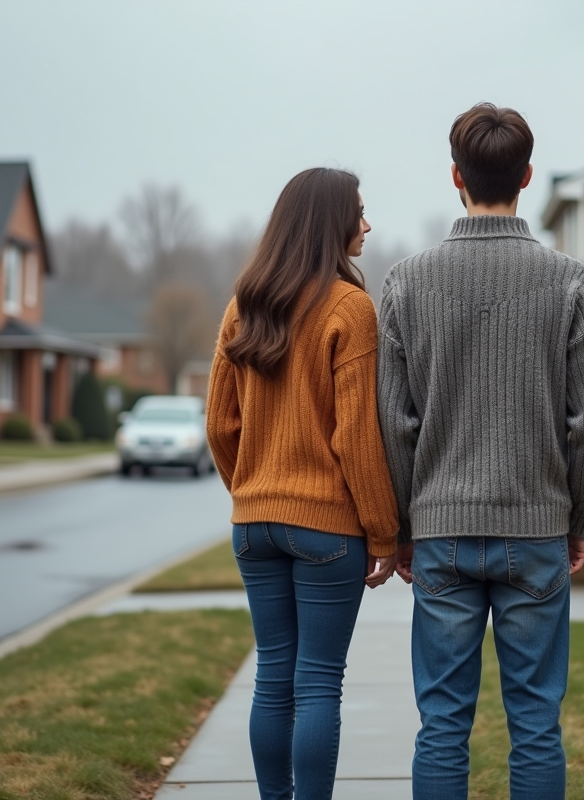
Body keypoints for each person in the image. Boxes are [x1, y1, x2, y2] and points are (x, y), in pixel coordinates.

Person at [377, 103, 584, 800]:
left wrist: (403, 528)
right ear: (528, 177)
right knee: (536, 722)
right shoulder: (572, 282)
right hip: (537, 531)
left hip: (442, 534)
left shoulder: (406, 282)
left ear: (456, 176)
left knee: (442, 724)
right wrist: (580, 520)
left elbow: (396, 422)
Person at [206, 167, 400, 800]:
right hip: (326, 529)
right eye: (359, 213)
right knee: (318, 682)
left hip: (252, 524)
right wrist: (383, 533)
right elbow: (357, 438)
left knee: (273, 678)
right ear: (329, 222)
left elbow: (220, 424)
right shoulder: (351, 307)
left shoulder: (244, 303)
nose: (367, 225)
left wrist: (253, 489)